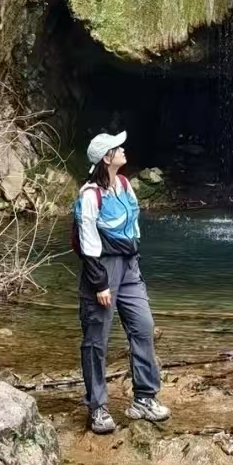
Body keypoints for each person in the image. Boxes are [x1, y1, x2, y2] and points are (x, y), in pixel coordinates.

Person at [75, 129, 170, 435]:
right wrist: (100, 284)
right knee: (96, 339)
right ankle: (97, 408)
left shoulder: (125, 184)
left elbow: (133, 226)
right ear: (106, 158)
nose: (123, 150)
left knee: (143, 327)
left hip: (129, 267)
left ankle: (144, 398)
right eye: (117, 148)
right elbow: (88, 243)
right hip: (102, 270)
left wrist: (134, 259)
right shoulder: (90, 196)